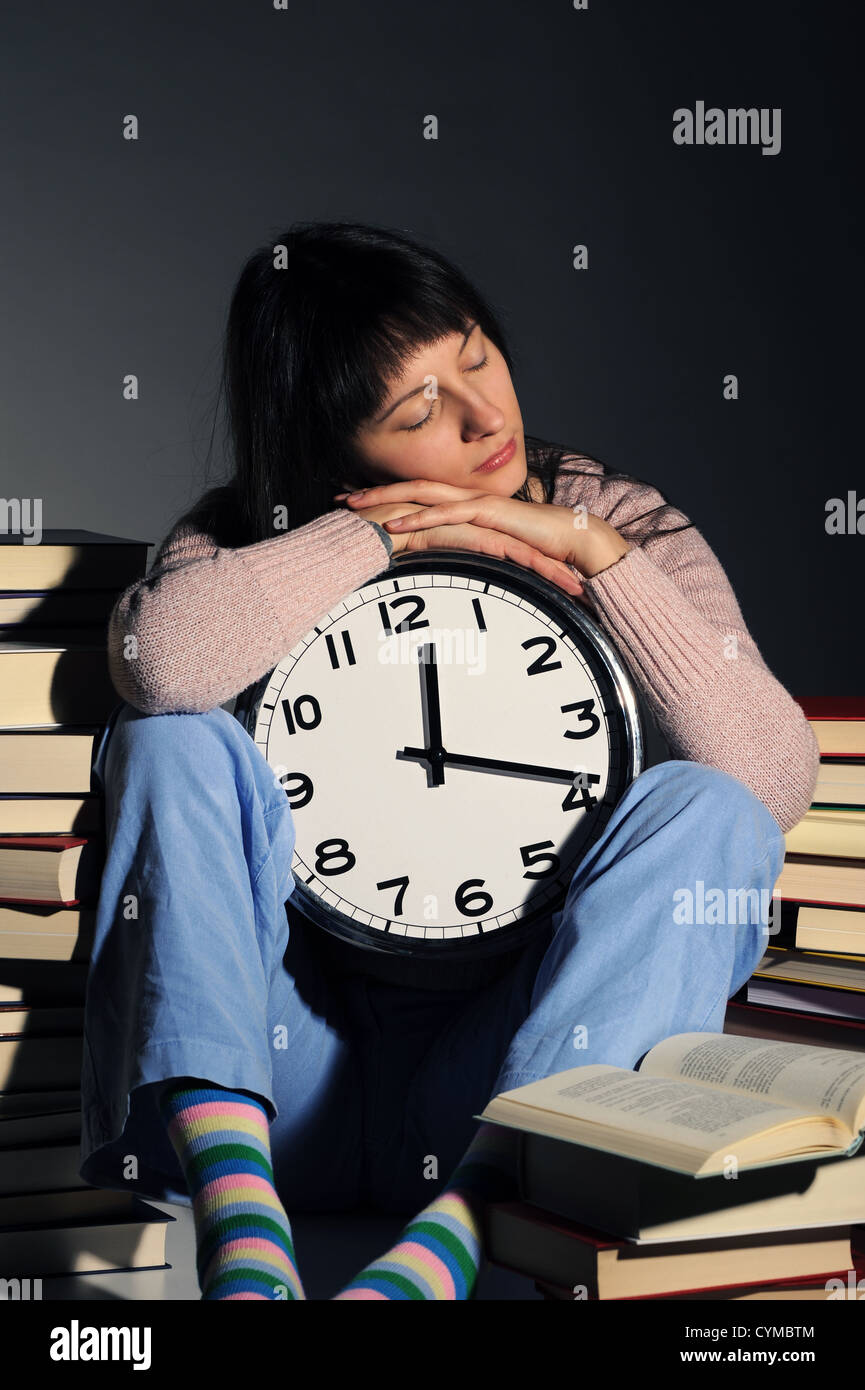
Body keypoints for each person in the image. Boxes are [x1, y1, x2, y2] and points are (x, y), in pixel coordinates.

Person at [79, 220, 818, 1300]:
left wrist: (589, 555)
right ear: (335, 449)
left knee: (709, 808)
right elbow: (163, 661)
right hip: (287, 1084)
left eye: (475, 356)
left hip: (503, 1093)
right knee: (166, 739)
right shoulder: (251, 536)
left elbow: (773, 775)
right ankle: (245, 1244)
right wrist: (379, 534)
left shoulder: (618, 519)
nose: (482, 418)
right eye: (417, 409)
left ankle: (458, 1238)